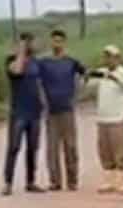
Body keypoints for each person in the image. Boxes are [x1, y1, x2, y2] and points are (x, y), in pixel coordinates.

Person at [38, 28, 85, 192]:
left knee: (70, 146)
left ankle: (72, 180)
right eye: (54, 40)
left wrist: (77, 93)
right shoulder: (43, 63)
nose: (57, 44)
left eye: (60, 41)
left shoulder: (71, 62)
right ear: (50, 42)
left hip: (67, 109)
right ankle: (55, 181)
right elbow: (37, 82)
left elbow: (84, 74)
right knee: (52, 148)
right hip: (51, 110)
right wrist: (42, 101)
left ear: (64, 42)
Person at [88, 45, 123, 195]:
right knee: (104, 151)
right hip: (103, 117)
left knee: (120, 151)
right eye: (106, 56)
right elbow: (89, 86)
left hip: (118, 117)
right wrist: (90, 76)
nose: (109, 59)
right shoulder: (102, 72)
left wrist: (116, 78)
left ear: (118, 58)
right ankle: (109, 181)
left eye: (112, 57)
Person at [2, 32, 44, 195]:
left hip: (34, 111)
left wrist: (43, 102)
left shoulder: (36, 62)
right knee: (14, 147)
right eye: (27, 42)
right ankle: (8, 182)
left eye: (30, 42)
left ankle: (30, 181)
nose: (30, 45)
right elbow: (18, 71)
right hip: (18, 112)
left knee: (33, 148)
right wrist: (21, 51)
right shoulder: (11, 61)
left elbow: (39, 83)